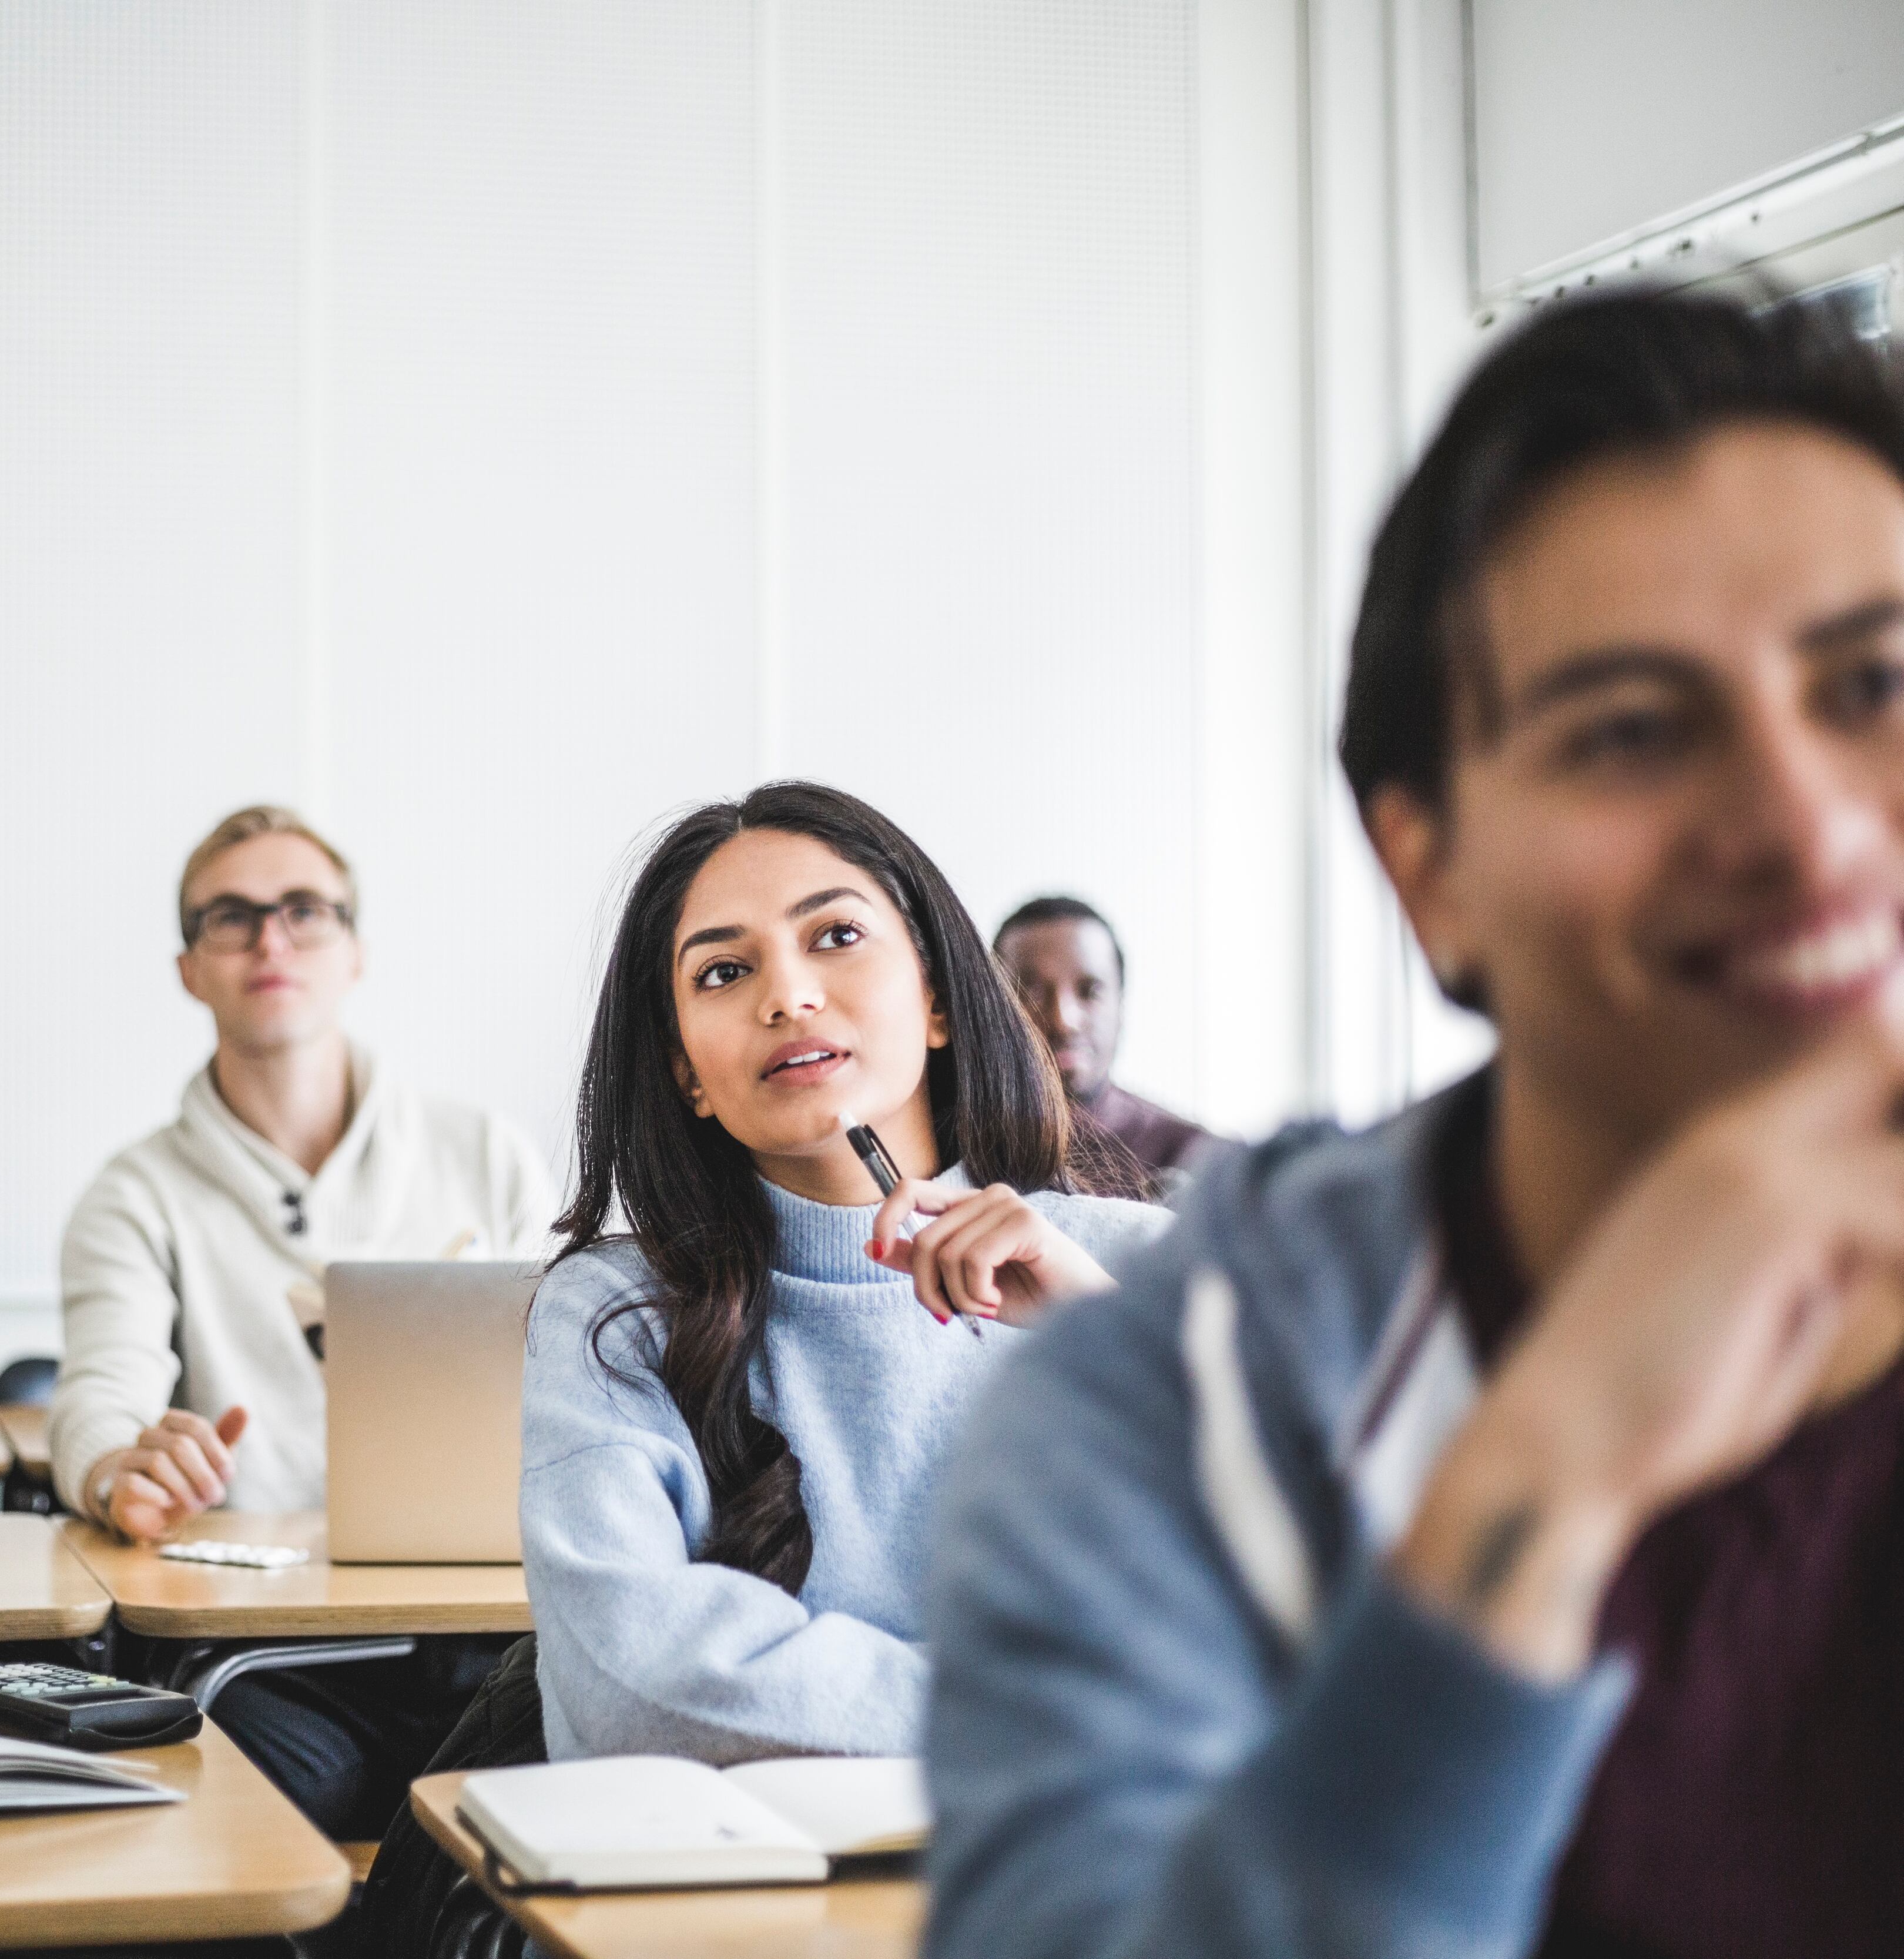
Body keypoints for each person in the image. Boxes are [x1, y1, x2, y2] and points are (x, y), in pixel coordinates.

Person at [924, 287, 1904, 1959]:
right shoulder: (1162, 1417)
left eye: (1874, 683)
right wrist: (1544, 1477)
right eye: (1634, 731)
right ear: (1429, 869)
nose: (1806, 829)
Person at [522, 782, 1168, 1764]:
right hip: (744, 1901)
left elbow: (1325, 1621)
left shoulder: (1131, 1264)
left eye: (835, 936)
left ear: (940, 998)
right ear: (688, 1072)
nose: (787, 995)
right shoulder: (616, 1317)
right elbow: (633, 1686)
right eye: (725, 971)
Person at [52, 803, 553, 1836]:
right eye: (230, 916)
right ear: (189, 965)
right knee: (264, 1801)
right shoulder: (134, 1191)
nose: (270, 939)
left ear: (354, 949)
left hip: (494, 1634)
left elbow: (574, 1388)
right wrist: (117, 1471)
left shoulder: (483, 1150)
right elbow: (99, 1397)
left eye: (303, 910)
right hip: (275, 1656)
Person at [994, 894, 1226, 1184]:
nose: (1063, 1021)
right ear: (992, 1009)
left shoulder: (1199, 1160)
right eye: (1028, 992)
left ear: (1121, 1005)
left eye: (1091, 992)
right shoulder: (948, 1148)